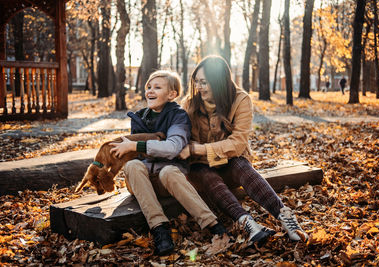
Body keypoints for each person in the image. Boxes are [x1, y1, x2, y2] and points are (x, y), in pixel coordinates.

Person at [180, 55, 308, 247]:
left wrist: (198, 148)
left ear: (218, 81)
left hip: (230, 162)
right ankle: (247, 223)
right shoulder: (189, 104)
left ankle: (285, 216)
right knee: (206, 174)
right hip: (199, 167)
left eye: (204, 82)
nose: (199, 87)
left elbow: (238, 143)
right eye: (196, 81)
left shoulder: (240, 99)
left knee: (241, 164)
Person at [110, 70, 226, 256]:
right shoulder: (140, 117)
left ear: (172, 94)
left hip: (167, 180)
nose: (150, 91)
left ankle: (213, 224)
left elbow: (173, 147)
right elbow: (133, 156)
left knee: (169, 172)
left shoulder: (178, 116)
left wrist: (136, 145)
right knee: (132, 166)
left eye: (157, 87)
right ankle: (160, 229)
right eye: (148, 87)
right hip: (141, 181)